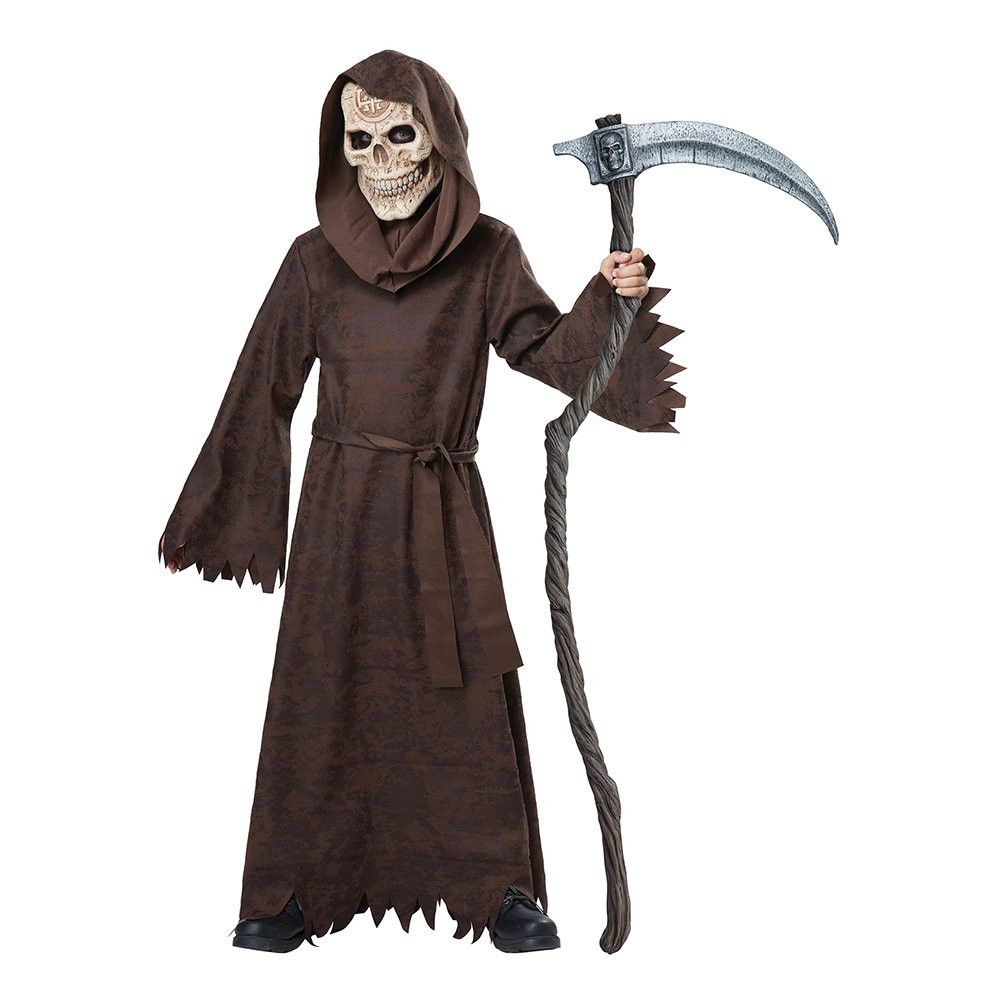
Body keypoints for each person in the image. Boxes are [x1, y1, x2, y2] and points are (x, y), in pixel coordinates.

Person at [160, 49, 681, 954]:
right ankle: (292, 888)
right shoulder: (314, 261)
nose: (381, 161)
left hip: (443, 510)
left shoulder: (489, 253)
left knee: (463, 686)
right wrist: (233, 515)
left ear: (440, 141)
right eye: (358, 142)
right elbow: (263, 386)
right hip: (339, 512)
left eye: (399, 135)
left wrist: (610, 297)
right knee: (324, 685)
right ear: (337, 151)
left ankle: (500, 887)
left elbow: (549, 351)